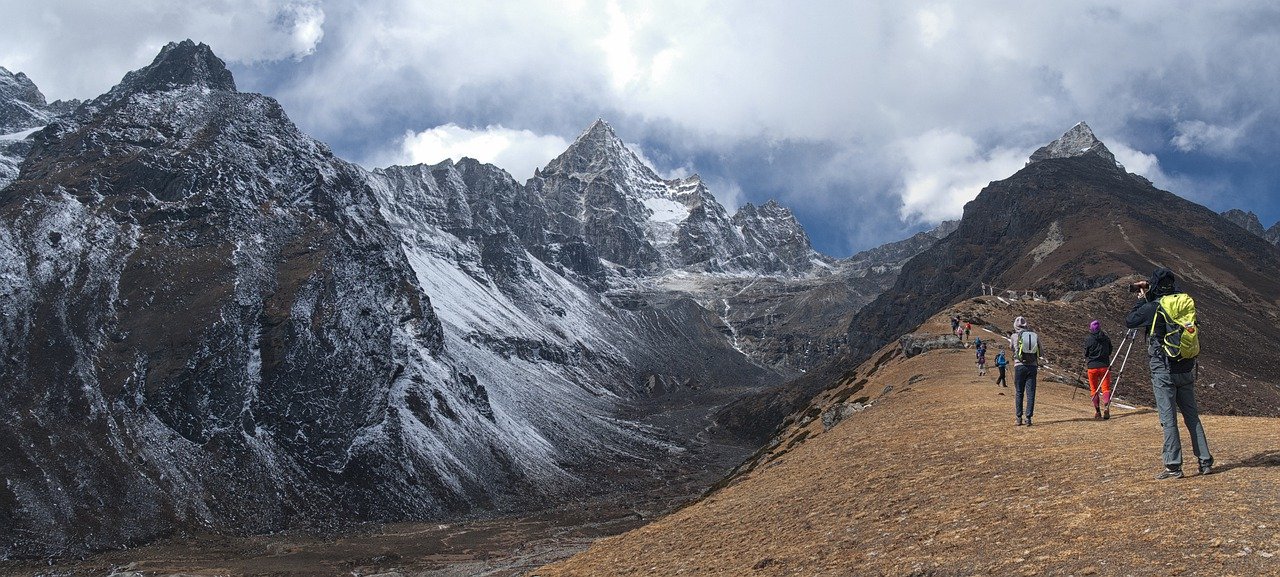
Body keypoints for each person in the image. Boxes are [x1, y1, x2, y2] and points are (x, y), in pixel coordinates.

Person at [1125, 267, 1212, 479]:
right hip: (1186, 367)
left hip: (1163, 370)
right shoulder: (1183, 302)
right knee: (1192, 417)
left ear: (1154, 286)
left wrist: (1143, 298)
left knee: (1168, 419)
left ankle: (1173, 466)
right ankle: (1205, 462)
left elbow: (1130, 320)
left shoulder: (1153, 307)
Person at [1010, 316, 1040, 426]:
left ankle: (1018, 418)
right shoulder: (1034, 335)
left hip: (1019, 366)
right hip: (1032, 367)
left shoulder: (1014, 336)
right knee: (1030, 392)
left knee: (1019, 392)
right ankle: (1028, 418)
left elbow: (1012, 348)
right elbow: (1041, 351)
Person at [1084, 320, 1114, 420]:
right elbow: (1110, 350)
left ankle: (1097, 412)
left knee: (1094, 389)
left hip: (1092, 367)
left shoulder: (1089, 339)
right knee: (1105, 388)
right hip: (1104, 366)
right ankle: (1106, 406)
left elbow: (1086, 353)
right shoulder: (1106, 338)